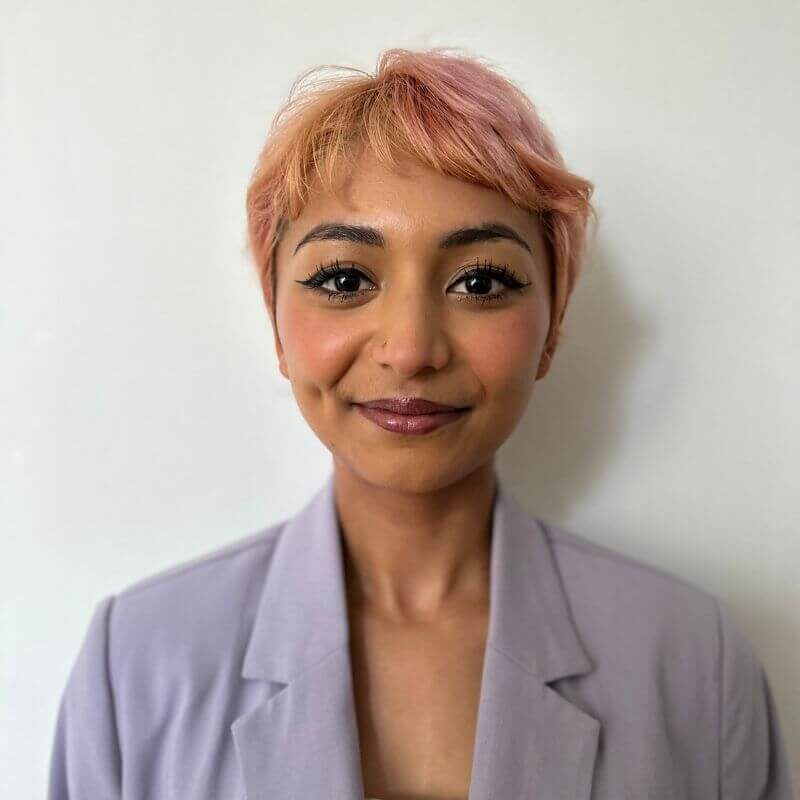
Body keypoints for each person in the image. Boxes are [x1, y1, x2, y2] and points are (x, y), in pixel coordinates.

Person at [48, 47, 794, 800]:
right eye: (344, 278)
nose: (410, 350)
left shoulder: (693, 659)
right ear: (277, 325)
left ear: (553, 325)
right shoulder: (137, 662)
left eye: (480, 280)